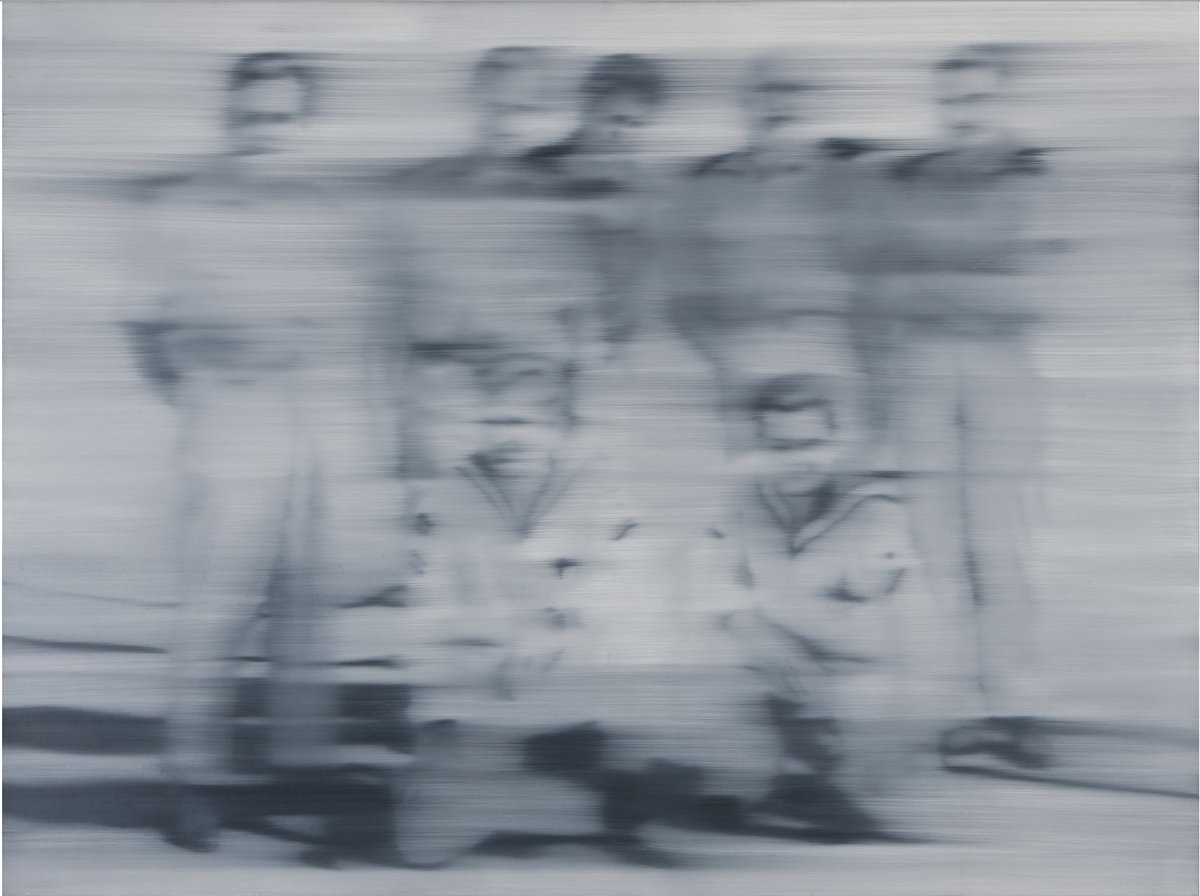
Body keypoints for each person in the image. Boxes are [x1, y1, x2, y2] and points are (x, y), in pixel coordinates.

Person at [386, 340, 775, 868]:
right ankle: (508, 787)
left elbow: (626, 578)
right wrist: (478, 659)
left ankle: (624, 781)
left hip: (586, 667)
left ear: (557, 426)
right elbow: (429, 603)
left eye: (523, 422)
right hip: (487, 674)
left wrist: (558, 625)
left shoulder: (596, 487)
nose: (506, 437)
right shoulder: (445, 495)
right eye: (491, 421)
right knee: (423, 846)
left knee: (676, 731)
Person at [125, 52, 371, 852]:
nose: (265, 131)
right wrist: (201, 395)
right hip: (230, 414)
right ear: (228, 118)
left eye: (282, 118)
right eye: (252, 116)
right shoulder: (182, 208)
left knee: (305, 609)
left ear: (304, 124)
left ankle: (298, 772)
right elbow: (142, 326)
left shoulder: (327, 212)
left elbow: (349, 319)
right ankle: (192, 778)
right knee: (217, 603)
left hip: (312, 415)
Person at [864, 45, 1054, 769]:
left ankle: (1018, 708)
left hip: (1000, 368)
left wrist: (940, 285)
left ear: (1001, 101)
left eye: (976, 99)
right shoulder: (908, 180)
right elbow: (887, 284)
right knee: (937, 544)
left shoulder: (1031, 176)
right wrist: (967, 279)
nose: (962, 113)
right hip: (920, 370)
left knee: (997, 545)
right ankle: (966, 711)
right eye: (950, 101)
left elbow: (1032, 292)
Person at [694, 338, 930, 840]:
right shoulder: (743, 500)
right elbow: (711, 576)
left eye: (811, 446)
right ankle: (796, 783)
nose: (797, 461)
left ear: (836, 442)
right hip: (781, 658)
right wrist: (751, 627)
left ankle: (817, 782)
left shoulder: (875, 506)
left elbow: (883, 603)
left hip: (861, 668)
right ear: (759, 448)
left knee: (867, 746)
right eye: (780, 449)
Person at [665, 49, 883, 460]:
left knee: (841, 475)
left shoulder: (844, 180)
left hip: (828, 346)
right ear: (743, 102)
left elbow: (872, 282)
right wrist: (726, 360)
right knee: (753, 478)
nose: (778, 103)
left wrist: (864, 365)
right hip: (742, 348)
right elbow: (680, 298)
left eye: (790, 91)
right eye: (764, 91)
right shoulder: (703, 186)